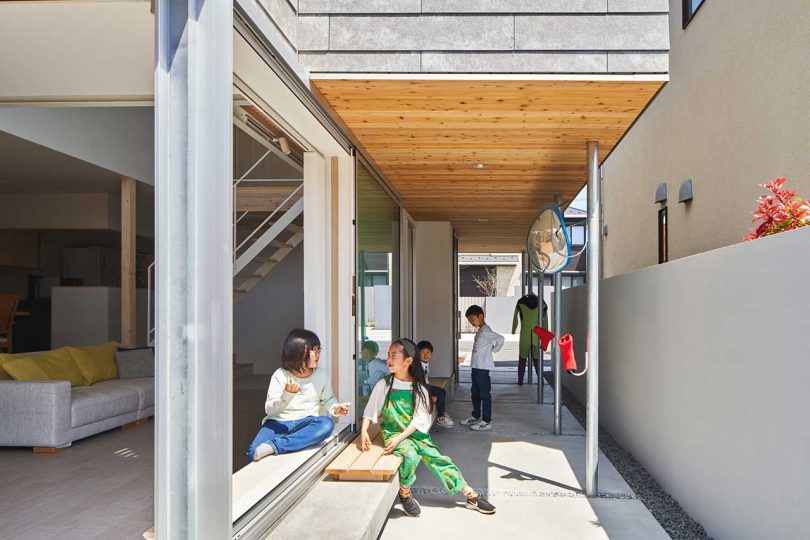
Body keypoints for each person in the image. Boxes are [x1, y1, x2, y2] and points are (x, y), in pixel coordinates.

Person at [361, 339, 495, 517]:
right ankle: (405, 493)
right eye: (388, 355)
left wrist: (401, 438)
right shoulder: (383, 384)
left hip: (414, 434)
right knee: (410, 454)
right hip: (392, 433)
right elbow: (370, 410)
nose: (389, 360)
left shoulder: (419, 388)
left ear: (408, 361)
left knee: (438, 459)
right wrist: (364, 430)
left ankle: (470, 495)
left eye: (394, 355)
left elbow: (418, 420)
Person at [246, 328, 350, 462]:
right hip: (278, 422)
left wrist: (335, 408)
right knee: (252, 452)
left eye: (319, 349)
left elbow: (328, 399)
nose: (318, 354)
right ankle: (291, 442)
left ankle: (276, 445)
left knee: (327, 424)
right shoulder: (280, 375)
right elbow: (269, 409)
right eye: (314, 350)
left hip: (306, 422)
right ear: (297, 352)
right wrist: (287, 395)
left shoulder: (321, 375)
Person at [462, 305, 504, 431]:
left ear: (481, 316)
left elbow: (500, 339)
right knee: (475, 393)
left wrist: (494, 349)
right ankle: (475, 416)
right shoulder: (481, 330)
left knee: (484, 394)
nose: (471, 322)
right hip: (476, 367)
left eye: (472, 319)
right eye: (469, 320)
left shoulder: (486, 331)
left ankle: (486, 421)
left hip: (482, 369)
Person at [512, 293, 549, 385]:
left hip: (525, 335)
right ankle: (540, 381)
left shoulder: (520, 302)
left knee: (522, 359)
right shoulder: (542, 302)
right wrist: (546, 332)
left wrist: (513, 330)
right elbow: (545, 319)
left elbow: (515, 317)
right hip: (537, 334)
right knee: (537, 360)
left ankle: (520, 381)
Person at [416, 340, 454, 428]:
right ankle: (441, 418)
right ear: (417, 353)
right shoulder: (417, 365)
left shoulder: (424, 363)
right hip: (419, 388)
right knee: (440, 393)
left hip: (424, 386)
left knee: (442, 391)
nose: (426, 355)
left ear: (431, 353)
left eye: (428, 352)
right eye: (422, 352)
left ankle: (442, 413)